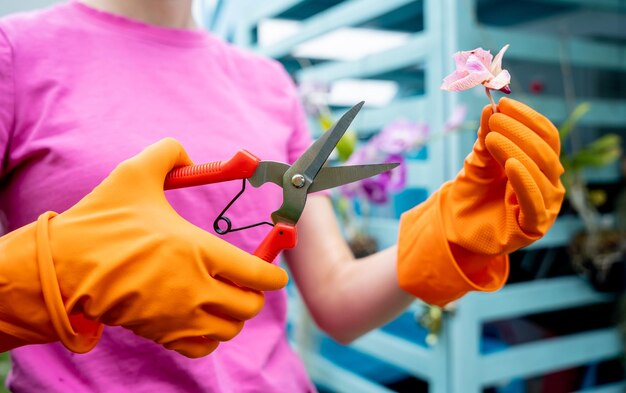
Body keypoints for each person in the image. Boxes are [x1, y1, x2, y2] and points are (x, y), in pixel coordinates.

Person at [0, 0, 564, 391]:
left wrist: (453, 233)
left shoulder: (267, 83)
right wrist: (47, 273)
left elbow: (338, 300)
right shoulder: (16, 52)